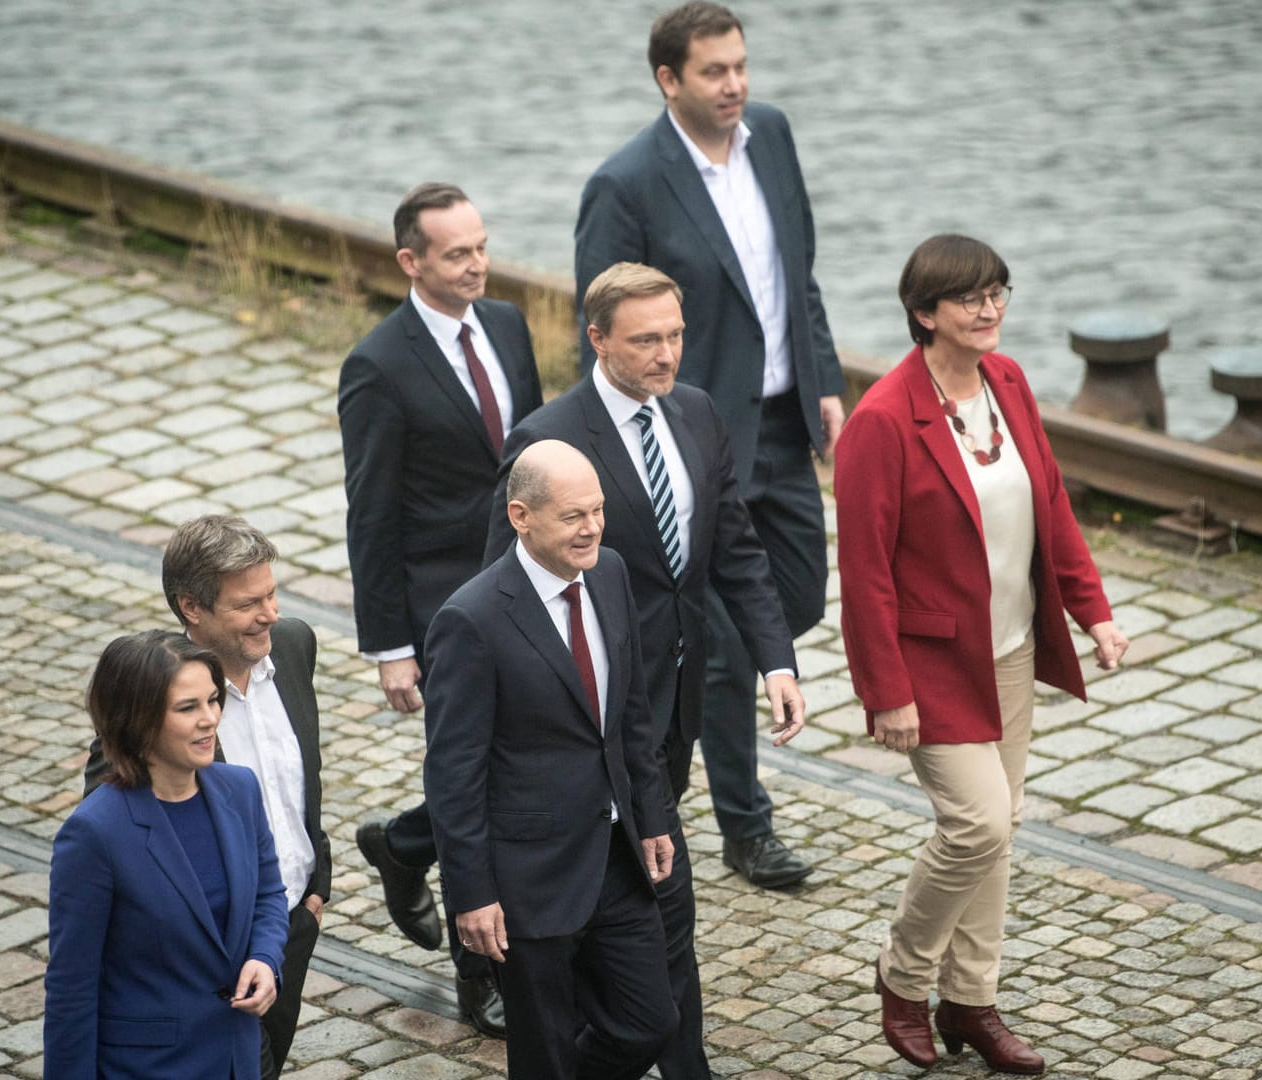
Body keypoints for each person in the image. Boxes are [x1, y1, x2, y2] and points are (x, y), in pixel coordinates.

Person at [484, 263, 805, 1079]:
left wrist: (775, 659)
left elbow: (732, 547)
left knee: (657, 901)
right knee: (645, 911)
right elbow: (501, 601)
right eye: (647, 340)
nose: (668, 355)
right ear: (597, 340)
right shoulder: (548, 438)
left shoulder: (696, 416)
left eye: (676, 335)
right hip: (581, 725)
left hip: (668, 713)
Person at [836, 234, 1130, 1074]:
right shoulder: (881, 423)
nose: (990, 307)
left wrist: (1092, 611)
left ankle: (971, 1002)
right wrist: (885, 692)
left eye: (998, 291)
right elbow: (863, 574)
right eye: (969, 298)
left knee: (999, 832)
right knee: (978, 824)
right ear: (925, 315)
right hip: (930, 666)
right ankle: (904, 974)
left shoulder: (1008, 383)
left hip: (1006, 652)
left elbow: (1051, 502)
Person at [575, 1, 842, 889]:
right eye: (714, 72)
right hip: (692, 438)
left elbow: (793, 276)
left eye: (740, 66)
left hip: (781, 424)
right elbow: (603, 327)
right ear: (669, 80)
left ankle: (703, 672)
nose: (736, 85)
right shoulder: (627, 185)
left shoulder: (771, 134)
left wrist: (828, 383)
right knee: (724, 643)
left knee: (796, 591)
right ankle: (745, 826)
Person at [338, 182, 542, 1035]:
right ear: (410, 261)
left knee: (516, 772)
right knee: (472, 788)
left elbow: (536, 456)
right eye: (457, 253)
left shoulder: (508, 327)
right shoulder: (378, 366)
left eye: (481, 246)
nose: (477, 264)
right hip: (441, 611)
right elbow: (371, 514)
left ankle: (405, 844)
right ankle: (481, 975)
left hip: (527, 589)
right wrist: (390, 645)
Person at [427, 440, 678, 1079]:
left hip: (616, 859)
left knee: (650, 1021)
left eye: (597, 511)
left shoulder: (612, 573)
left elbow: (633, 715)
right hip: (528, 881)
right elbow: (454, 776)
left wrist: (652, 816)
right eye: (572, 517)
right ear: (521, 516)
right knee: (542, 1053)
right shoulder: (472, 619)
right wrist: (472, 893)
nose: (591, 528)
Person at [81, 515, 329, 1080]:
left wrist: (316, 890)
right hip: (212, 955)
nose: (270, 614)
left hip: (290, 928)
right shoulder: (155, 704)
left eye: (271, 594)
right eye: (248, 604)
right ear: (193, 608)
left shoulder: (292, 645)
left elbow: (299, 777)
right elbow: (119, 842)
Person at [48, 631, 287, 1080]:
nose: (210, 719)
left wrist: (265, 957)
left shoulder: (240, 790)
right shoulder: (94, 833)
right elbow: (71, 990)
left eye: (213, 700)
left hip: (237, 1059)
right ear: (137, 721)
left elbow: (269, 894)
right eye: (187, 708)